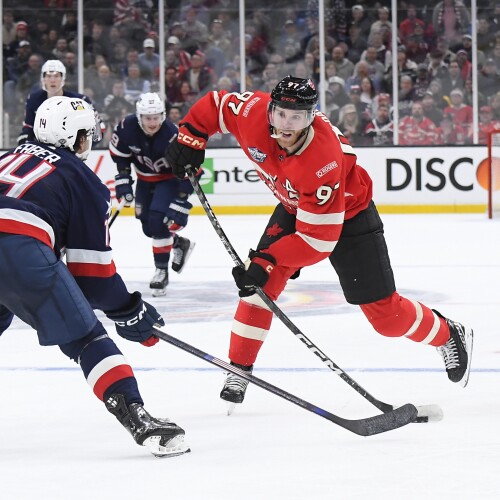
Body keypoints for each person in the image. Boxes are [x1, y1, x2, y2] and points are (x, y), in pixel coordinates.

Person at [165, 75, 473, 411]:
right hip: (294, 208)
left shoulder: (321, 160)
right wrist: (190, 138)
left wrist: (268, 259)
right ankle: (239, 368)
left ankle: (448, 333)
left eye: (297, 117)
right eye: (281, 114)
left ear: (311, 117)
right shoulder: (253, 112)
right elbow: (216, 105)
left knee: (386, 318)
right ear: (270, 109)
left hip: (349, 217)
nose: (286, 125)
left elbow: (316, 241)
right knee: (257, 289)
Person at [0, 96, 189, 457]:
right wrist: (128, 310)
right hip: (18, 247)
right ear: (75, 137)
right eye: (87, 134)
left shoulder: (8, 156)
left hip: (16, 245)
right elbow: (93, 275)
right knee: (86, 337)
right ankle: (137, 417)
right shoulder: (81, 178)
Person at [110, 92, 196, 296]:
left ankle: (161, 272)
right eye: (148, 118)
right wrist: (123, 180)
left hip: (168, 181)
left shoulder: (173, 135)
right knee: (149, 228)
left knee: (158, 221)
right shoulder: (126, 128)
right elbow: (121, 158)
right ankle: (178, 243)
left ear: (163, 115)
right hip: (144, 180)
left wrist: (181, 199)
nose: (153, 123)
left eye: (156, 117)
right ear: (139, 116)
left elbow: (192, 170)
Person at [17, 59, 93, 145]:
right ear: (43, 78)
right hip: (43, 147)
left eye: (56, 76)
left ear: (63, 78)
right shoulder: (33, 99)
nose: (52, 80)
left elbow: (97, 129)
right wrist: (25, 143)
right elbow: (28, 127)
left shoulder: (80, 101)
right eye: (48, 76)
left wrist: (80, 146)